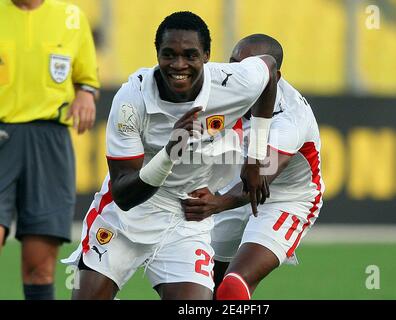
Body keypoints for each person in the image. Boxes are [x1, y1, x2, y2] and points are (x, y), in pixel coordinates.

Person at [62, 11, 278, 300]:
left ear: (207, 56)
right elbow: (124, 196)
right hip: (127, 218)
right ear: (157, 55)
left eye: (190, 55)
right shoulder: (131, 100)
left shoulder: (232, 83)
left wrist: (255, 156)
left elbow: (269, 68)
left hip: (187, 217)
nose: (179, 65)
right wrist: (170, 152)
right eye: (169, 55)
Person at [181, 34, 325, 299]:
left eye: (249, 68)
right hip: (233, 189)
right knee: (202, 287)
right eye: (234, 63)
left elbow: (259, 182)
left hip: (285, 199)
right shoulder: (226, 85)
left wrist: (215, 203)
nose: (239, 74)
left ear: (274, 77)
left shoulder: (291, 120)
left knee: (233, 285)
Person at [0, 0, 99, 300]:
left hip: (50, 141)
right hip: (2, 133)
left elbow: (86, 79)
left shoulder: (71, 17)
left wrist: (86, 94)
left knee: (38, 264)